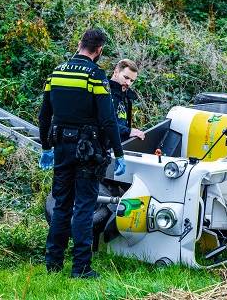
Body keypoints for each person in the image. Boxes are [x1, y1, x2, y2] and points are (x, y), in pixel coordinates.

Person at [38, 29, 126, 279]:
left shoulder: (56, 72)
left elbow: (44, 114)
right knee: (85, 207)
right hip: (88, 149)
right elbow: (108, 119)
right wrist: (118, 153)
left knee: (61, 204)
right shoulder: (96, 76)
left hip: (61, 147)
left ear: (79, 44)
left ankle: (53, 263)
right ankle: (81, 267)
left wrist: (45, 146)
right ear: (99, 51)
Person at [109, 59, 144, 141]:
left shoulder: (126, 96)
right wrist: (128, 131)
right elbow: (102, 124)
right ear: (116, 72)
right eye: (126, 78)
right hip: (104, 148)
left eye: (132, 81)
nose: (128, 83)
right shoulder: (103, 92)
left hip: (121, 146)